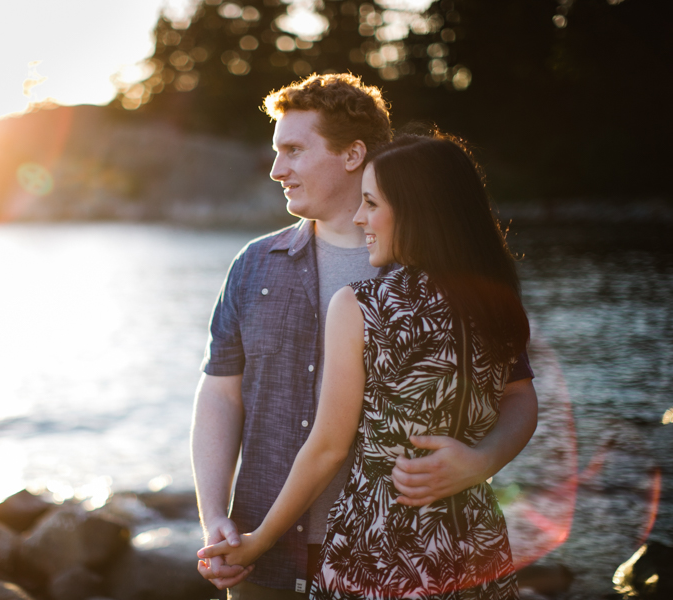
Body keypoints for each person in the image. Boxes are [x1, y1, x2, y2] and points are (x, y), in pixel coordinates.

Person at [192, 73, 537, 598]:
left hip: (389, 554)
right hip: (265, 555)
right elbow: (220, 392)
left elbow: (516, 394)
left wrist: (482, 460)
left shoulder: (438, 278)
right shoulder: (253, 265)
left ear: (352, 154)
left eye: (293, 150)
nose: (276, 169)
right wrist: (214, 515)